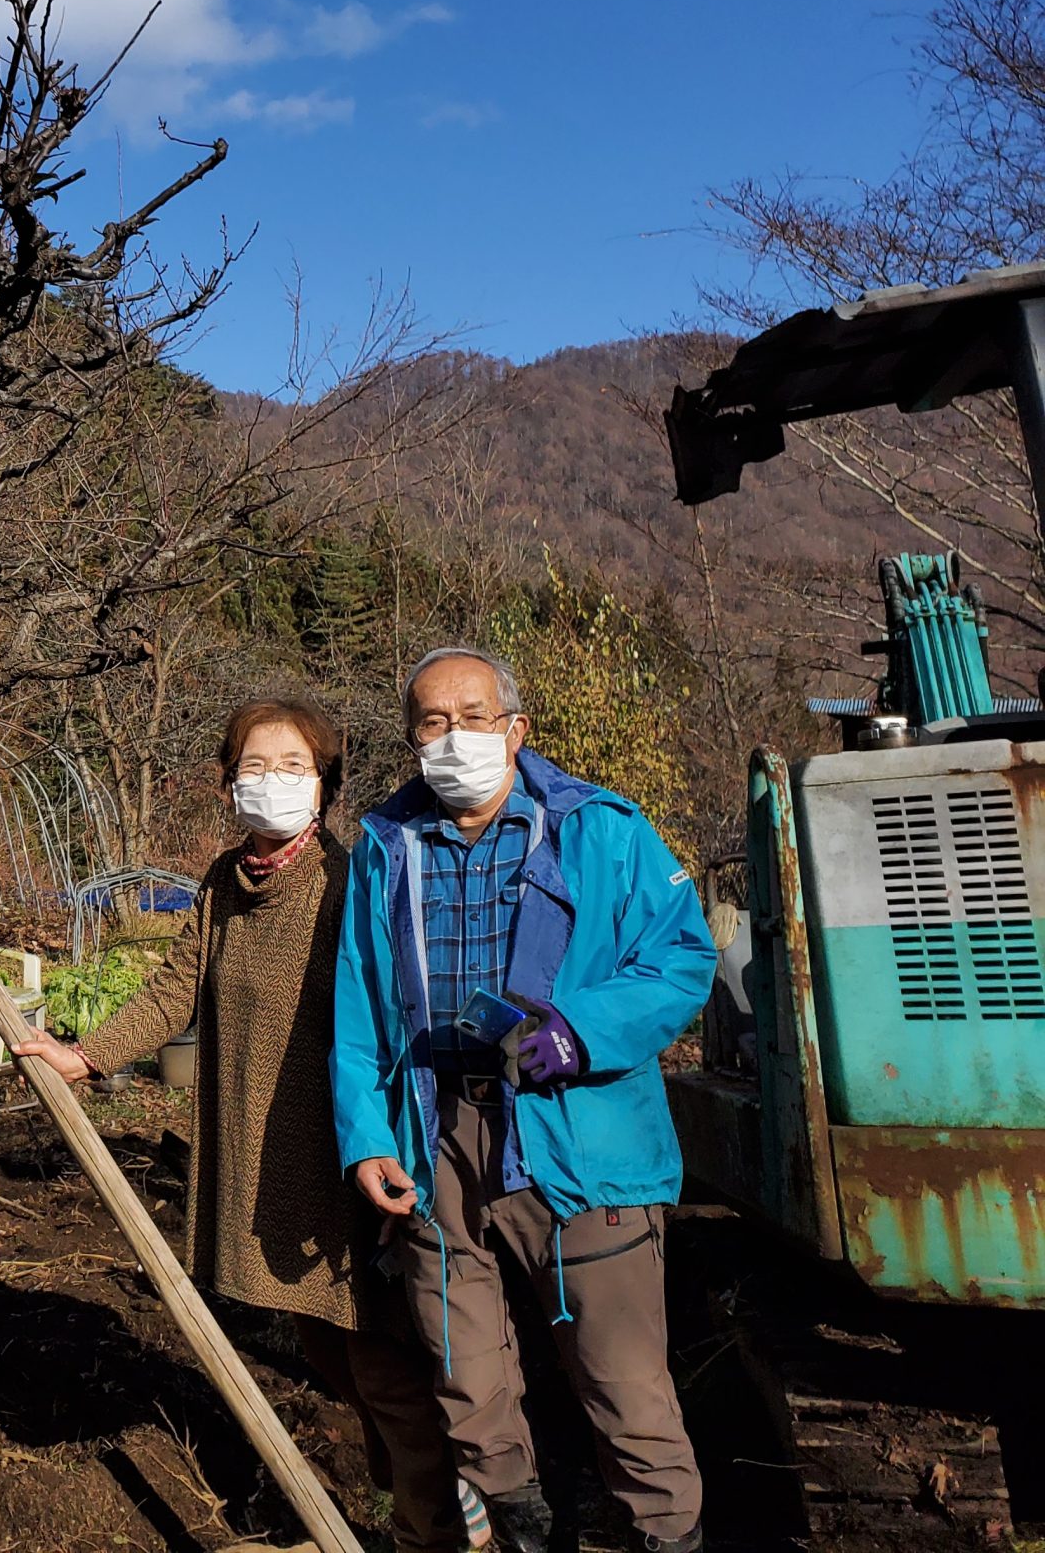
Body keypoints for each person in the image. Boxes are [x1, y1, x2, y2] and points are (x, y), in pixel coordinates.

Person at [16, 697, 458, 1553]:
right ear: (228, 784)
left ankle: (430, 1522)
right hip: (255, 1144)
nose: (273, 782)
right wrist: (88, 1054)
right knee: (322, 1349)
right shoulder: (224, 882)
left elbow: (391, 1014)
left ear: (325, 785)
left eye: (294, 767)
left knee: (377, 1356)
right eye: (255, 766)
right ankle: (403, 1492)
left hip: (341, 1150)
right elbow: (174, 988)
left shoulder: (348, 880)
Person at [329, 646, 715, 1553]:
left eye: (472, 716)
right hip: (436, 1126)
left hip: (579, 1128)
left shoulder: (602, 830)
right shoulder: (388, 846)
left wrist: (579, 1028)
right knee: (465, 1372)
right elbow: (355, 1008)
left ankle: (664, 1534)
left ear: (516, 729)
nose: (452, 736)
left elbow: (682, 958)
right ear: (411, 738)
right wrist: (365, 1134)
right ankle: (521, 1521)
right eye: (431, 721)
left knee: (622, 1380)